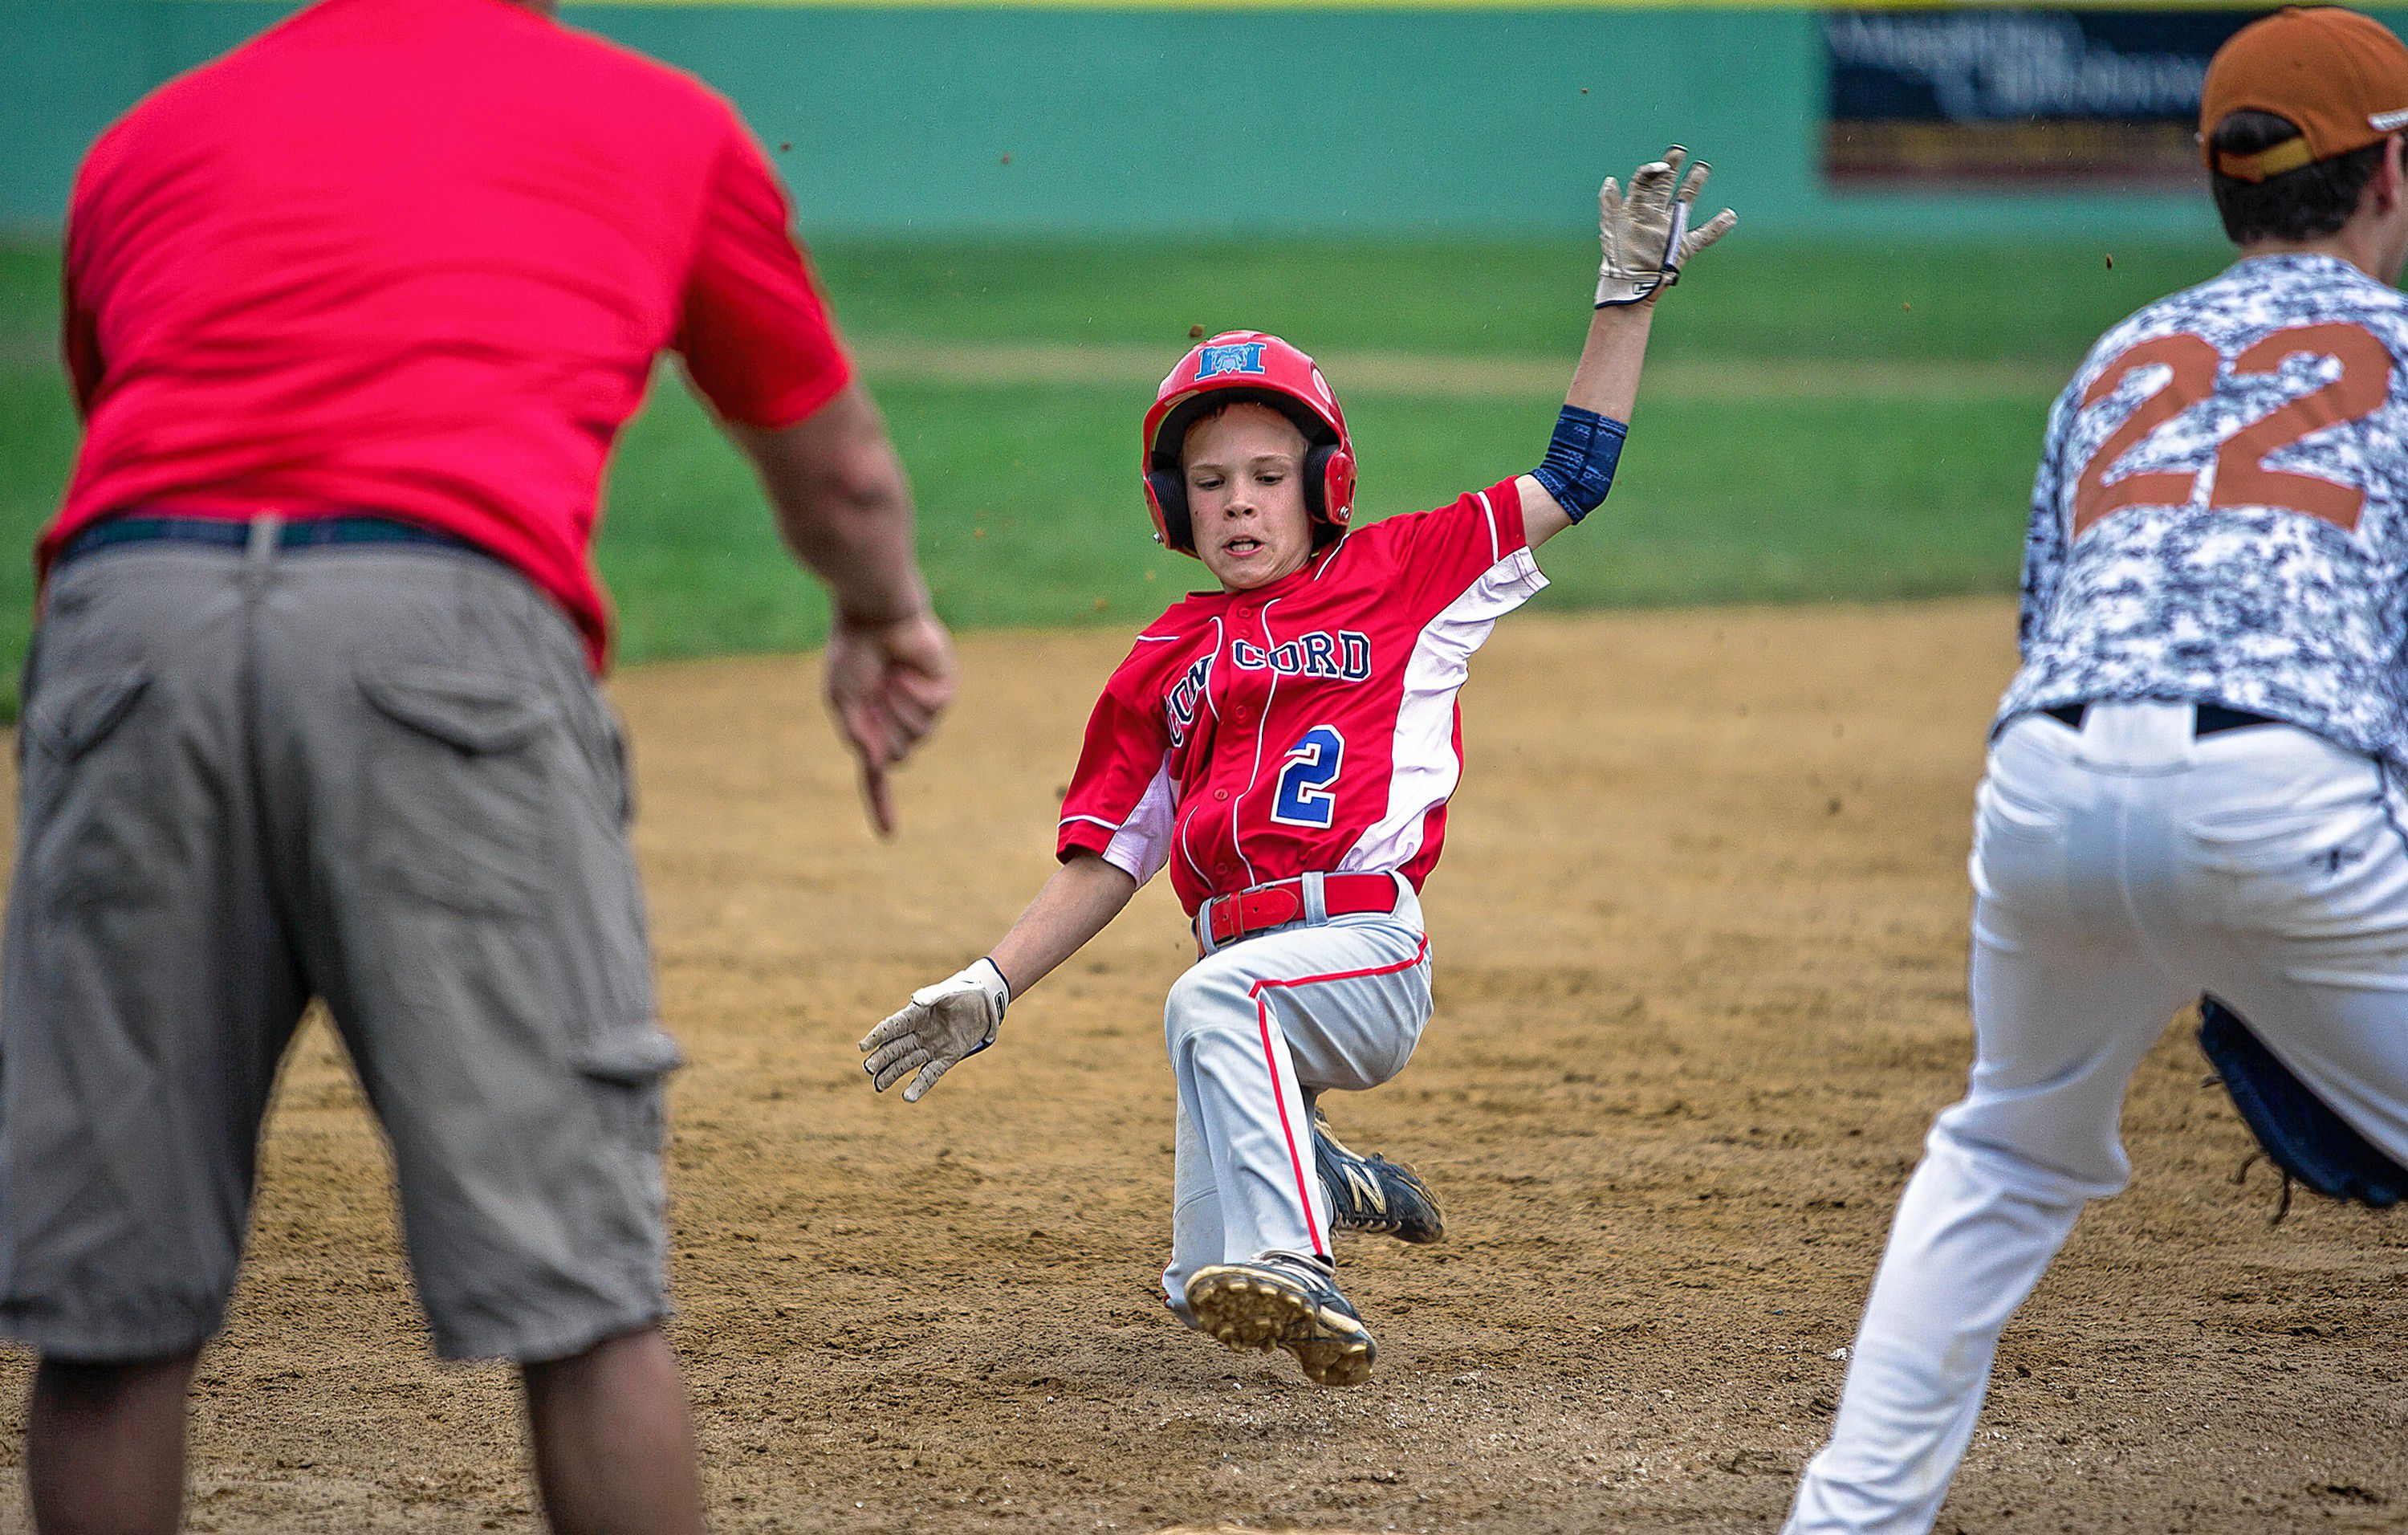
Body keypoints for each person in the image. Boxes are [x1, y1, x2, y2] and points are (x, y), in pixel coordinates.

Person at [5, 0, 954, 1529]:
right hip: (439, 624)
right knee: (579, 1292)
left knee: (110, 1313)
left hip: (130, 629)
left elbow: (130, 413)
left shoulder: (141, 143)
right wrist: (885, 615)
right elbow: (840, 472)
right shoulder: (659, 119)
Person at [860, 151, 1733, 1386]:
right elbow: (1109, 852)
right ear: (1174, 503)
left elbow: (1575, 476)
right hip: (1254, 982)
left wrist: (1623, 295)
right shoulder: (1166, 654)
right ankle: (1323, 1178)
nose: (1239, 504)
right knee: (1198, 1293)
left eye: (1268, 477)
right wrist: (992, 986)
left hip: (1363, 953)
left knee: (1215, 1010)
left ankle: (1306, 1260)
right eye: (1209, 482)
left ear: (1325, 484)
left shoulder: (1409, 573)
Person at [1784, 8, 2408, 1529]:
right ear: (2389, 172)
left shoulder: (2123, 356)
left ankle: (1845, 1522)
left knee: (2006, 1148)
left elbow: (2053, 626)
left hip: (2048, 788)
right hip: (2288, 800)